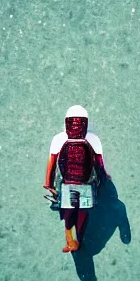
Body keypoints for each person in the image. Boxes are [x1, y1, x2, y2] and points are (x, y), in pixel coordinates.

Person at [43, 105, 110, 253]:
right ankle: (80, 237)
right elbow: (99, 163)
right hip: (86, 182)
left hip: (67, 182)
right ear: (85, 123)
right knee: (83, 212)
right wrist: (104, 179)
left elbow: (52, 163)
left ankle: (70, 241)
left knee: (69, 212)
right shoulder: (93, 138)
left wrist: (48, 183)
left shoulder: (58, 138)